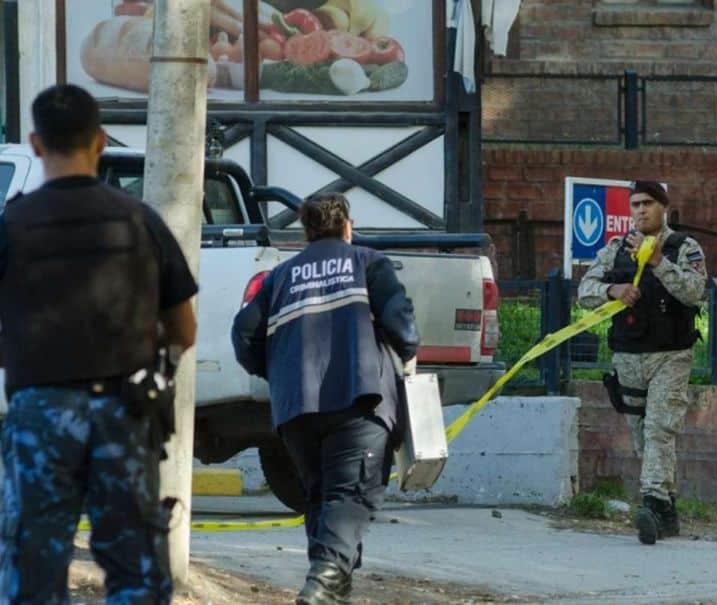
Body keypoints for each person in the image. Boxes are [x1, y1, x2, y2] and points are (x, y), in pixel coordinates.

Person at [0, 84, 198, 603]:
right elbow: (184, 329)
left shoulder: (11, 224)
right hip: (125, 411)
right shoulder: (139, 221)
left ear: (35, 143)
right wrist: (163, 366)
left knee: (33, 566)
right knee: (136, 571)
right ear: (101, 141)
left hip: (39, 412)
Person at [231, 192, 419, 605]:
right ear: (347, 227)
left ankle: (332, 591)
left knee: (320, 500)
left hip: (295, 407)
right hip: (358, 399)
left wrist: (276, 370)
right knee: (349, 496)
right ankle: (322, 583)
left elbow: (244, 335)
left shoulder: (279, 277)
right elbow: (401, 323)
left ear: (306, 232)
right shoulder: (368, 262)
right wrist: (406, 354)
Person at [578, 180, 707, 545]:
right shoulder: (617, 248)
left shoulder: (684, 248)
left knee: (660, 429)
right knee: (641, 436)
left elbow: (695, 291)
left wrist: (658, 264)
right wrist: (611, 290)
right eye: (635, 204)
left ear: (663, 206)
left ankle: (649, 503)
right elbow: (584, 291)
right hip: (629, 356)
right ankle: (667, 509)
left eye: (648, 203)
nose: (640, 210)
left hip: (672, 355)